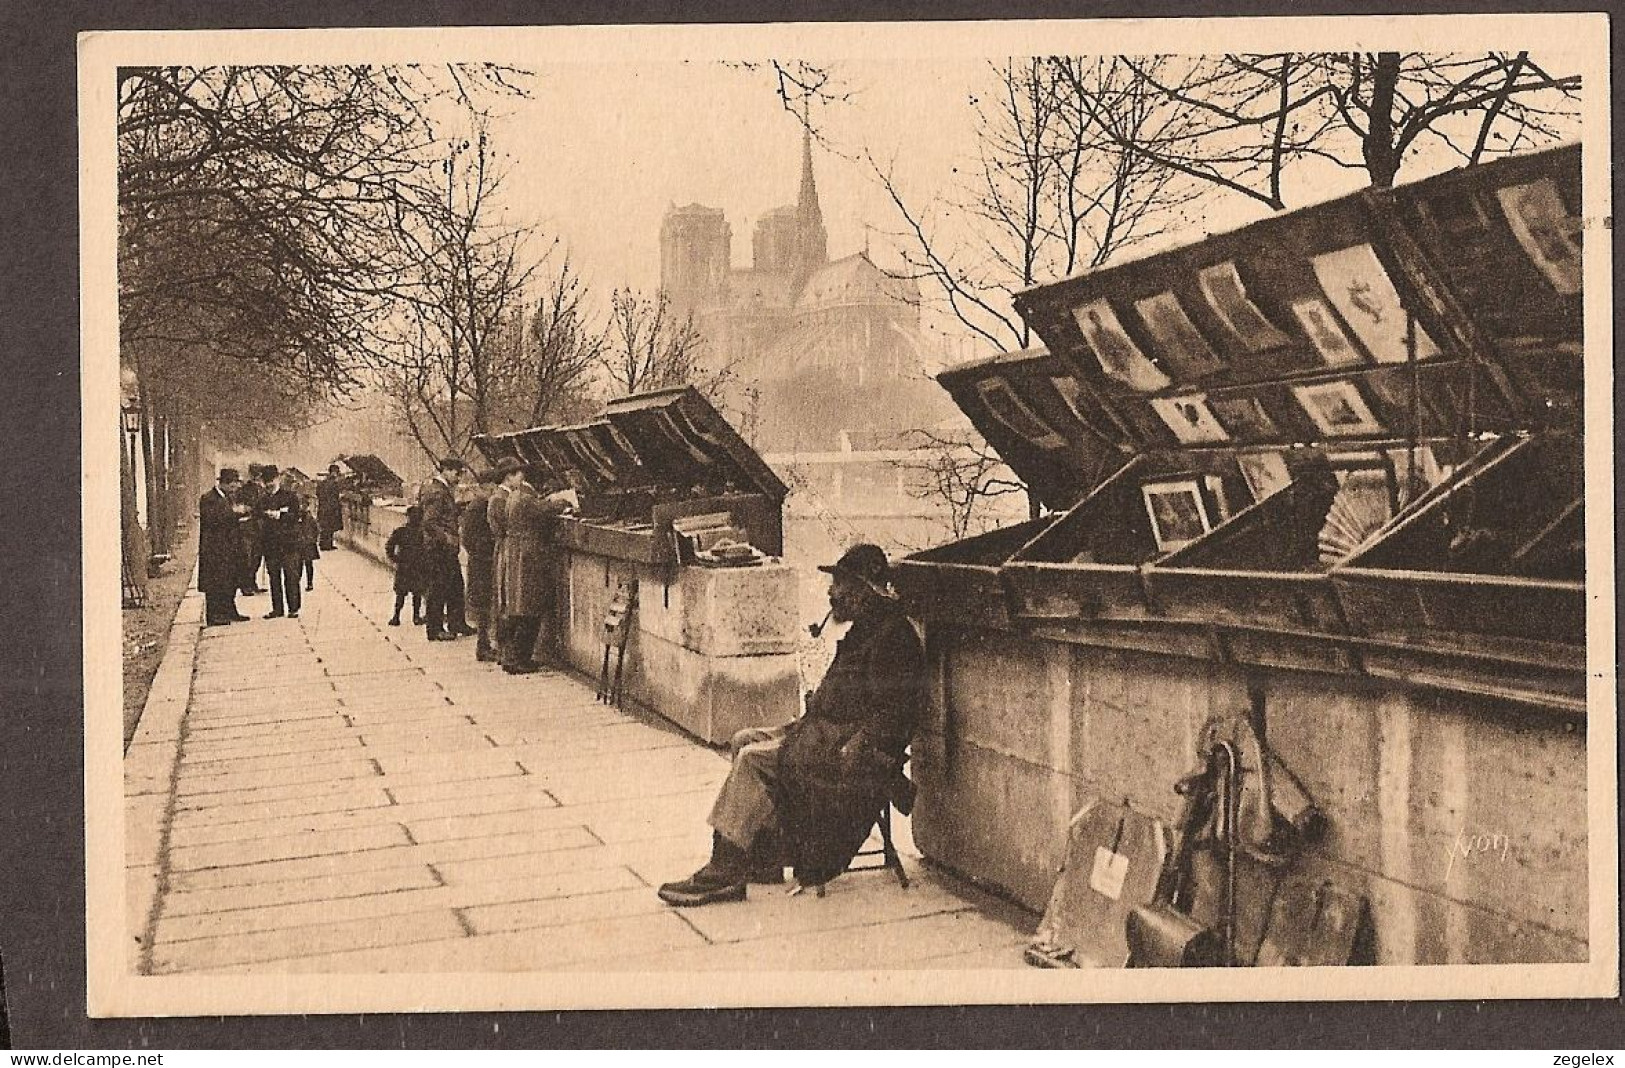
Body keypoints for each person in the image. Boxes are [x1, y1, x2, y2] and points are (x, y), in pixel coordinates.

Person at [657, 544, 925, 906]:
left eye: (840, 583)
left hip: (847, 756)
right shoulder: (867, 629)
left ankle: (724, 872)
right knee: (744, 739)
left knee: (753, 760)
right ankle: (763, 859)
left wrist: (845, 740)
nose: (832, 591)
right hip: (821, 735)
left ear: (863, 590)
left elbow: (894, 716)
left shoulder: (893, 637)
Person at [498, 465, 571, 675]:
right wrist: (564, 501)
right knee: (529, 608)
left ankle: (510, 657)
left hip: (517, 555)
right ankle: (520, 659)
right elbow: (545, 510)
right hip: (528, 558)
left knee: (517, 609)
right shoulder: (525, 498)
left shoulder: (514, 496)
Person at [418, 456, 475, 642]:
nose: (459, 478)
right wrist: (447, 538)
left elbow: (443, 515)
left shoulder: (440, 490)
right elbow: (430, 522)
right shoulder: (437, 492)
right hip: (439, 549)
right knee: (438, 588)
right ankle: (435, 630)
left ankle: (456, 622)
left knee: (455, 586)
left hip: (444, 549)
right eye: (457, 474)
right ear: (447, 471)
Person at [198, 468, 254, 626]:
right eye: (233, 484)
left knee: (229, 580)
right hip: (214, 548)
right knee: (215, 582)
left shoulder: (228, 498)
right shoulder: (208, 498)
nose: (235, 488)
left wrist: (241, 514)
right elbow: (213, 520)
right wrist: (234, 513)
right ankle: (214, 615)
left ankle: (229, 610)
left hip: (229, 546)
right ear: (224, 483)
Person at [486, 456, 523, 665]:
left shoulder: (500, 497)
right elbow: (503, 528)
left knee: (505, 600)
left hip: (505, 550)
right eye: (518, 474)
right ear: (509, 477)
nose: (521, 478)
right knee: (506, 601)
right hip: (506, 552)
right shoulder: (501, 499)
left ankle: (504, 652)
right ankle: (505, 652)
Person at [459, 470, 499, 663]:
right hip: (482, 561)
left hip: (479, 560)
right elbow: (467, 537)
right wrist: (483, 552)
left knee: (483, 603)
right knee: (484, 604)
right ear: (487, 486)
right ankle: (483, 647)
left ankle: (484, 645)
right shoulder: (480, 506)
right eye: (492, 486)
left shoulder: (476, 504)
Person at [257, 466, 304, 619]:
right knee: (274, 577)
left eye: (271, 480)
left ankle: (293, 608)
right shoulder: (262, 500)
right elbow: (258, 517)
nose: (269, 484)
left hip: (289, 543)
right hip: (270, 544)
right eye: (266, 482)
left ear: (277, 479)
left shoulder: (290, 496)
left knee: (291, 576)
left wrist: (279, 515)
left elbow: (296, 516)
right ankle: (277, 609)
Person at [384, 506, 427, 627]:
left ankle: (397, 616)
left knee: (401, 593)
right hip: (415, 566)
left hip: (405, 566)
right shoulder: (421, 533)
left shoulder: (401, 531)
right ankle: (415, 616)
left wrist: (395, 559)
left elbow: (389, 546)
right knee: (416, 593)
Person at [236, 463, 266, 596]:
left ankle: (252, 582)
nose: (257, 477)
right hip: (247, 527)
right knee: (247, 556)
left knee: (257, 556)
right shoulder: (243, 490)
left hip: (259, 527)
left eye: (258, 475)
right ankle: (245, 584)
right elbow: (240, 507)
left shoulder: (262, 489)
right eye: (255, 474)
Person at [316, 463, 345, 551]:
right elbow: (335, 496)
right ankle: (327, 545)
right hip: (331, 508)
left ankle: (324, 544)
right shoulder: (334, 483)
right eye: (337, 472)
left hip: (323, 507)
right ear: (333, 472)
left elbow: (318, 493)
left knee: (325, 527)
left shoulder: (323, 482)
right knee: (330, 527)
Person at [297, 492, 321, 591]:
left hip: (308, 543)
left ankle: (309, 582)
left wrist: (313, 540)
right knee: (299, 564)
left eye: (304, 505)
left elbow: (317, 529)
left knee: (308, 564)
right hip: (301, 542)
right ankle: (297, 581)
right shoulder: (298, 517)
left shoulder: (310, 518)